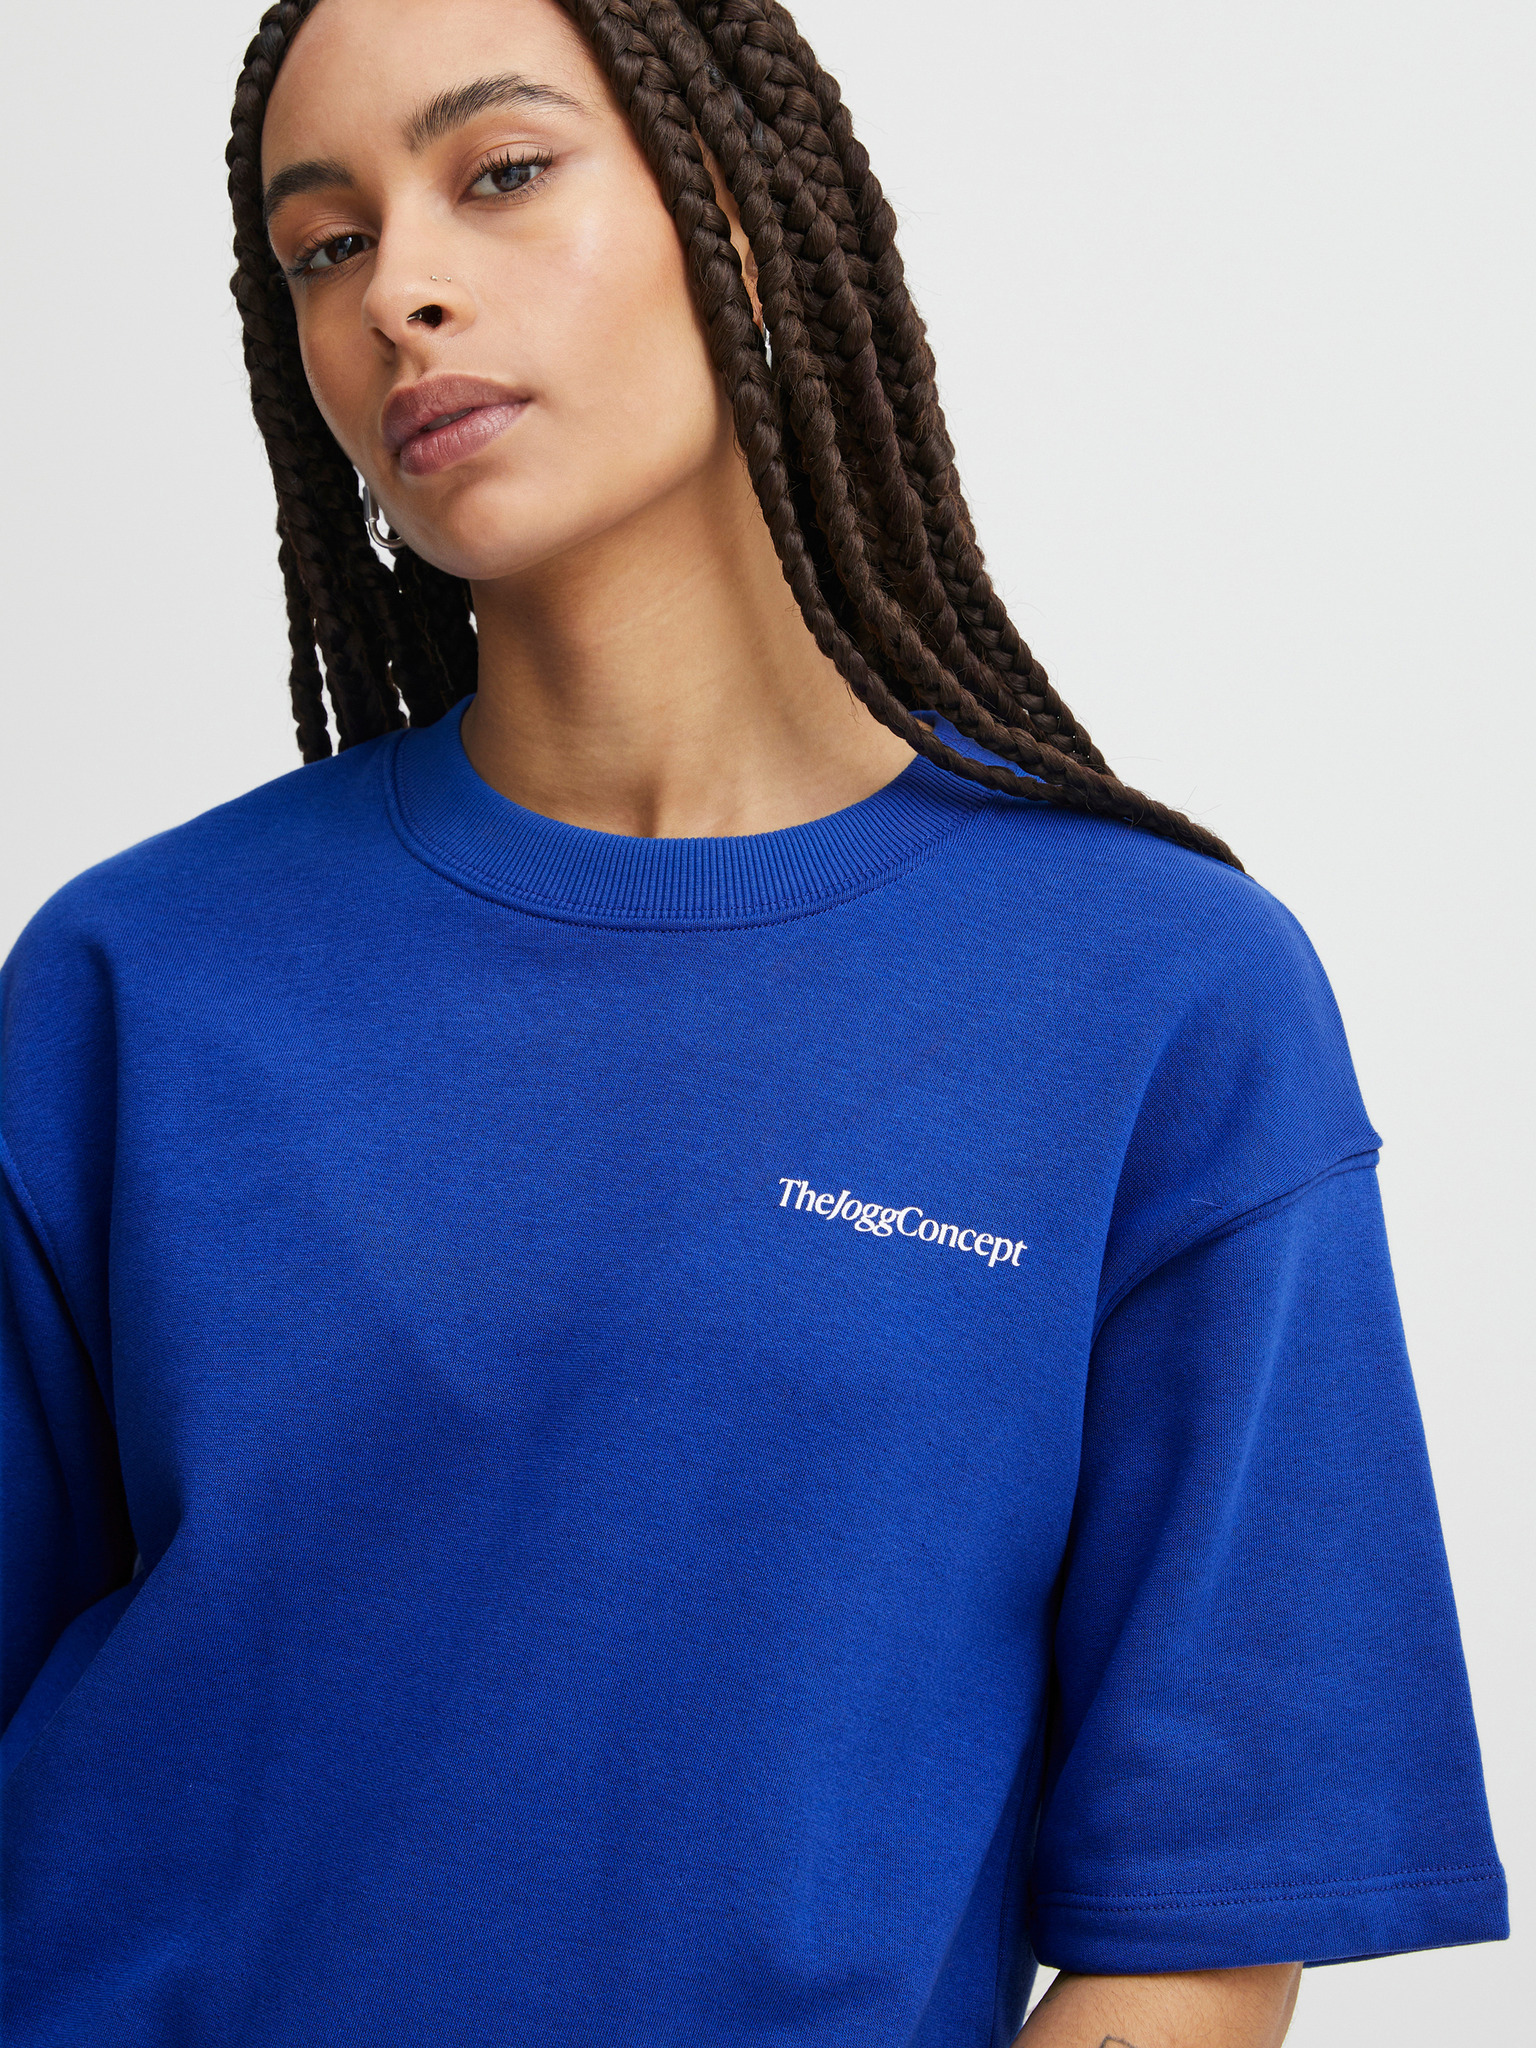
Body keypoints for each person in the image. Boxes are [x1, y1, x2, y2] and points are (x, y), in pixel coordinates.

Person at [0, 0, 1507, 2041]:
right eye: (324, 243)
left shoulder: (1154, 993)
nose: (397, 291)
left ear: (735, 210)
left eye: (499, 172)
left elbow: (1201, 1929)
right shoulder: (133, 977)